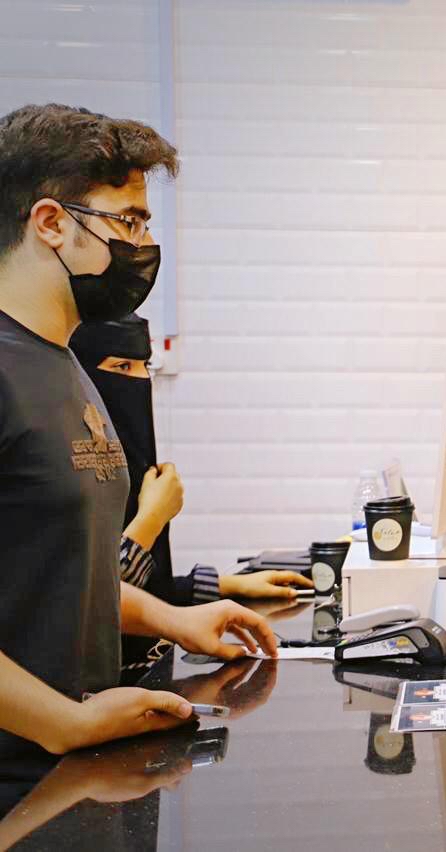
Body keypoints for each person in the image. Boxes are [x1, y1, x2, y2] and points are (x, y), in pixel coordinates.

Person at [0, 103, 278, 804]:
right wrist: (66, 723)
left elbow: (55, 572)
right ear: (50, 223)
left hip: (79, 772)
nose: (144, 245)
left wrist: (173, 617)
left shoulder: (63, 363)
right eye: (127, 221)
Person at [68, 314, 311, 671]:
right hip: (98, 688)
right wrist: (151, 519)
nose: (140, 380)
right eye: (121, 366)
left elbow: (149, 591)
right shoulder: (67, 468)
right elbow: (88, 603)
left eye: (145, 366)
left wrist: (229, 585)